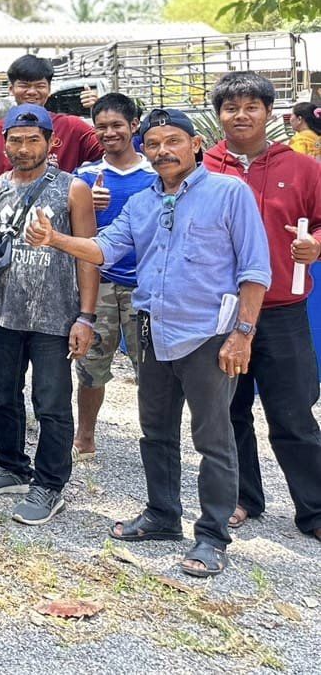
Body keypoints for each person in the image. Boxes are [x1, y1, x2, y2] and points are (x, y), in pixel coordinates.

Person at [27, 107, 270, 577]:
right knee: (155, 431)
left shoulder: (229, 193)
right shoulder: (142, 202)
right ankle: (162, 515)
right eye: (153, 144)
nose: (162, 151)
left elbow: (255, 270)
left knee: (213, 438)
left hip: (209, 336)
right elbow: (103, 249)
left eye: (173, 141)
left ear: (195, 144)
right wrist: (55, 238)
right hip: (153, 332)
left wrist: (243, 333)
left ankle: (212, 536)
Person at [201, 72, 321, 540]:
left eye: (251, 106)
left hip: (282, 310)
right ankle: (242, 497)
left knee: (293, 415)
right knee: (229, 412)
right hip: (221, 311)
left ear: (269, 112)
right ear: (219, 115)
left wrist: (315, 245)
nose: (241, 115)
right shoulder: (203, 167)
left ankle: (314, 509)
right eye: (231, 108)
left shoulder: (304, 168)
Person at [0, 103, 97, 525]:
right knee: (2, 394)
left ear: (51, 142)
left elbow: (88, 254)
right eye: (16, 141)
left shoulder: (73, 189)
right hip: (1, 313)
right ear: (3, 143)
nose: (24, 148)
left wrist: (86, 317)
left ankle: (50, 484)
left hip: (55, 317)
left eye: (33, 140)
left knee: (51, 402)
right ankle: (10, 465)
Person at [71, 93, 154, 457]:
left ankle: (156, 439)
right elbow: (73, 231)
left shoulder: (155, 173)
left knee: (150, 369)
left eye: (117, 125)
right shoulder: (84, 176)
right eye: (101, 126)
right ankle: (85, 436)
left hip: (144, 285)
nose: (109, 133)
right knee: (91, 366)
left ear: (134, 126)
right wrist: (87, 205)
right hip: (99, 282)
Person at [0, 54, 102, 184]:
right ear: (11, 89)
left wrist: (100, 111)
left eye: (40, 86)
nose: (32, 92)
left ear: (49, 89)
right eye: (24, 85)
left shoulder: (73, 127)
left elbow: (111, 153)